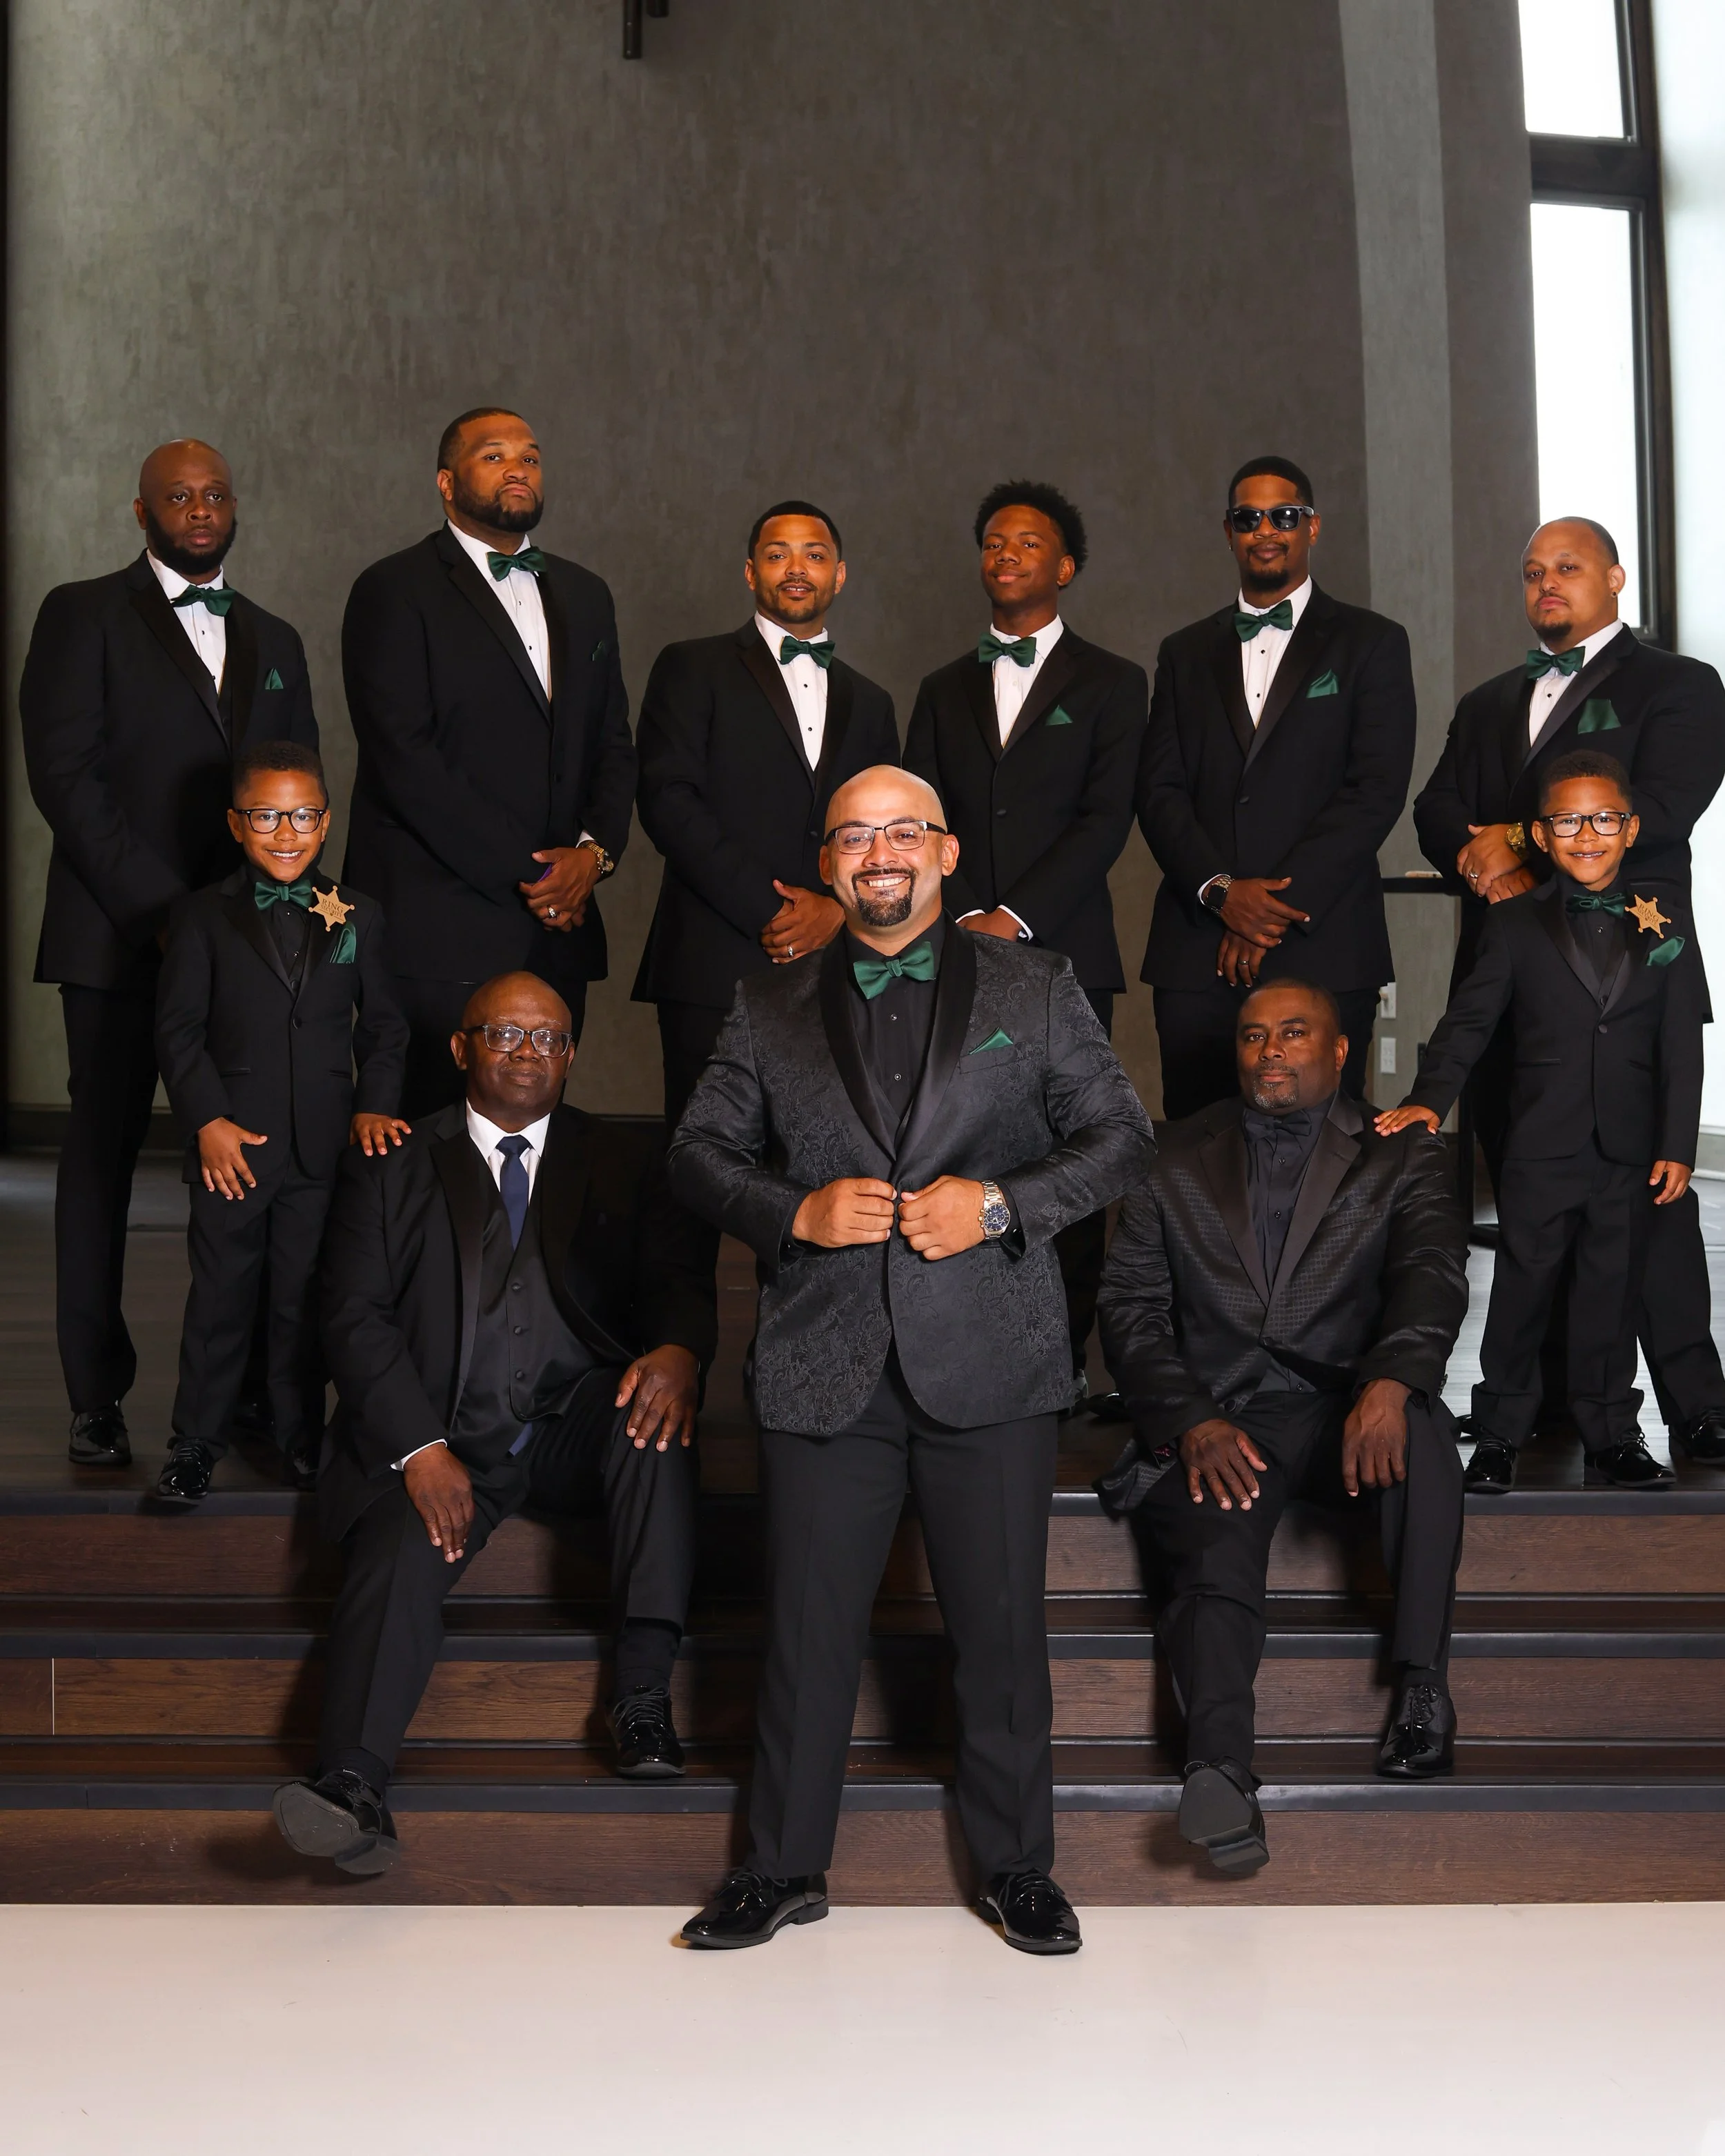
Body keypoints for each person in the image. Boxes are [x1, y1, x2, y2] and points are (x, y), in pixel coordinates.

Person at [668, 766, 1152, 1953]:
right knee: (807, 1631)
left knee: (1001, 1631)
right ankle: (781, 1869)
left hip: (992, 1358)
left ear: (942, 853)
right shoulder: (765, 1002)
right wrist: (795, 1213)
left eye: (901, 834)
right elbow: (695, 1155)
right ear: (829, 862)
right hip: (824, 1363)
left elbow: (1122, 1140)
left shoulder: (1036, 987)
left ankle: (1016, 1868)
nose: (878, 854)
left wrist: (996, 1206)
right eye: (853, 838)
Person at [271, 973, 715, 1876]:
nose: (528, 1052)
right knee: (398, 1549)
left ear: (571, 1055)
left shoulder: (625, 1157)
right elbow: (352, 1317)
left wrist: (679, 1351)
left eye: (548, 1038)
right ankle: (353, 1785)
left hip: (564, 1418)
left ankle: (640, 1699)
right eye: (506, 1034)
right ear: (461, 1047)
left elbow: (678, 1280)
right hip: (436, 1430)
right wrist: (420, 1446)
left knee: (652, 1423)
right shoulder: (393, 1156)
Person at [1096, 980, 1467, 1877]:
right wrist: (1191, 1421)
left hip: (1349, 1402)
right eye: (1255, 1035)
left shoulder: (1403, 1152)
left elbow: (1431, 1272)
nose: (1270, 1050)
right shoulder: (1171, 1155)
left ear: (1340, 1053)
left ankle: (1423, 1689)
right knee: (1214, 1546)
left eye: (1294, 1034)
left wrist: (1389, 1380)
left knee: (1421, 1434)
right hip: (1227, 1417)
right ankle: (1220, 1771)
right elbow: (1132, 1309)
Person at [19, 439, 318, 1468]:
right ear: (138, 510)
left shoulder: (277, 635)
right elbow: (66, 778)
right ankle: (96, 1394)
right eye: (178, 497)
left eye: (215, 495)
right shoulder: (80, 613)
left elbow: (299, 792)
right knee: (101, 1159)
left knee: (245, 1169)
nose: (200, 510)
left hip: (250, 949)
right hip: (118, 936)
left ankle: (237, 1391)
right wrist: (174, 919)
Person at [1414, 518, 1725, 1465]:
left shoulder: (1678, 685)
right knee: (1537, 1200)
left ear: (1616, 578)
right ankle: (1544, 1398)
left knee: (1653, 1215)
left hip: (1638, 971)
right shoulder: (1488, 698)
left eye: (1569, 567)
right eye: (1533, 571)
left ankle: (1697, 1405)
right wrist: (1490, 869)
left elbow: (1666, 805)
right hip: (1519, 971)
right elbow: (1434, 812)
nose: (1547, 583)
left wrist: (1511, 838)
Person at [1383, 753, 1701, 1492]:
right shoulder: (1513, 923)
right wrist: (1431, 1095)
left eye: (1602, 819)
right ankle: (1498, 1432)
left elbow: (1681, 1040)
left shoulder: (1666, 919)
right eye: (1566, 821)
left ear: (1630, 828)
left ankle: (1612, 1433)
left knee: (1608, 1291)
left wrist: (1677, 1142)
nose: (1585, 834)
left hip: (1628, 1148)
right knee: (1524, 1287)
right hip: (1539, 1144)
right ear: (1538, 833)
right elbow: (1468, 1021)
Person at [903, 482, 1147, 1399]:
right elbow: (921, 812)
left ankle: (1064, 1361)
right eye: (993, 542)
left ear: (1065, 566)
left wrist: (1019, 917)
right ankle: (964, 1350)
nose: (1005, 555)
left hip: (1069, 947)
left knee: (1071, 1153)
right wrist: (967, 914)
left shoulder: (1117, 683)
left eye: (1028, 543)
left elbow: (1104, 819)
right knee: (956, 1146)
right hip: (953, 949)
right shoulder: (939, 688)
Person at [342, 408, 636, 1114]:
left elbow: (614, 742)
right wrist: (542, 874)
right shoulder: (393, 589)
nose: (517, 470)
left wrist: (590, 860)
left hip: (559, 924)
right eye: (494, 456)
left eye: (530, 458)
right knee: (426, 1139)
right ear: (446, 483)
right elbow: (405, 759)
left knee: (537, 1140)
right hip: (439, 924)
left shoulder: (586, 594)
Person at [152, 742, 408, 1503]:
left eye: (301, 816)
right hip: (234, 1143)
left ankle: (300, 1436)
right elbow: (178, 1031)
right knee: (222, 1290)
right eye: (266, 816)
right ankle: (196, 1439)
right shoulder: (201, 917)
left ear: (324, 821)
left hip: (324, 1144)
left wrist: (374, 1104)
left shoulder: (359, 913)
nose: (285, 832)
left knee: (303, 1292)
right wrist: (206, 1119)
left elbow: (386, 1027)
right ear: (237, 824)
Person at [1136, 455, 1416, 1118]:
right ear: (1228, 531)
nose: (1267, 529)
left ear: (1312, 528)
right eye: (1248, 517)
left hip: (1325, 940)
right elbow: (1158, 789)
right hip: (1196, 946)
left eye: (1284, 516)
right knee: (1199, 1150)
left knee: (1326, 1150)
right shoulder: (1183, 651)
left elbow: (1375, 789)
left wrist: (1265, 915)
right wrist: (1223, 893)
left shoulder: (1372, 643)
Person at [632, 499, 898, 1143]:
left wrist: (840, 911)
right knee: (696, 1173)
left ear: (841, 574)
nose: (796, 569)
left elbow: (887, 831)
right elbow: (668, 801)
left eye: (814, 555)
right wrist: (772, 910)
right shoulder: (691, 665)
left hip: (834, 968)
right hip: (712, 956)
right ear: (751, 574)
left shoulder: (872, 701)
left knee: (811, 1178)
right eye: (777, 555)